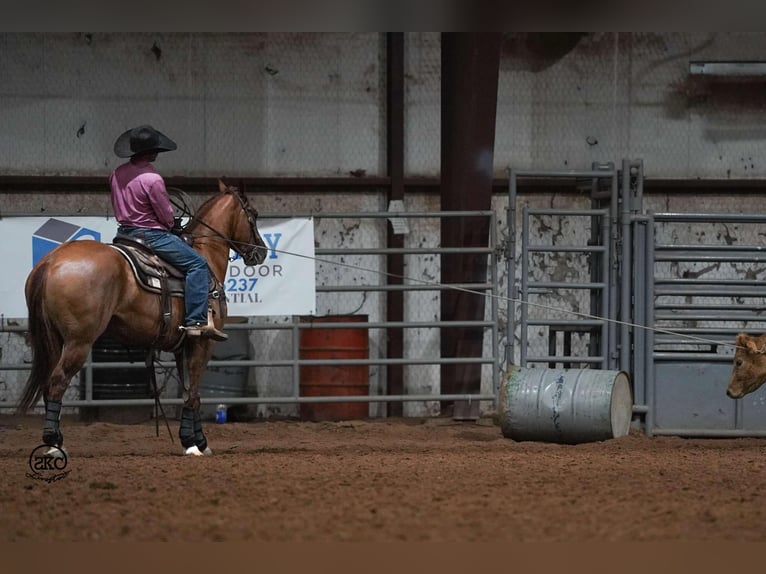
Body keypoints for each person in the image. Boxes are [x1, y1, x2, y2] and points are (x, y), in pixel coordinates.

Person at [109, 124, 228, 342]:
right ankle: (195, 321)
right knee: (197, 265)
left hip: (125, 234)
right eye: (156, 149)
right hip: (151, 236)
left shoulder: (117, 173)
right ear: (150, 152)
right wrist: (171, 222)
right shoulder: (152, 179)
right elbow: (165, 214)